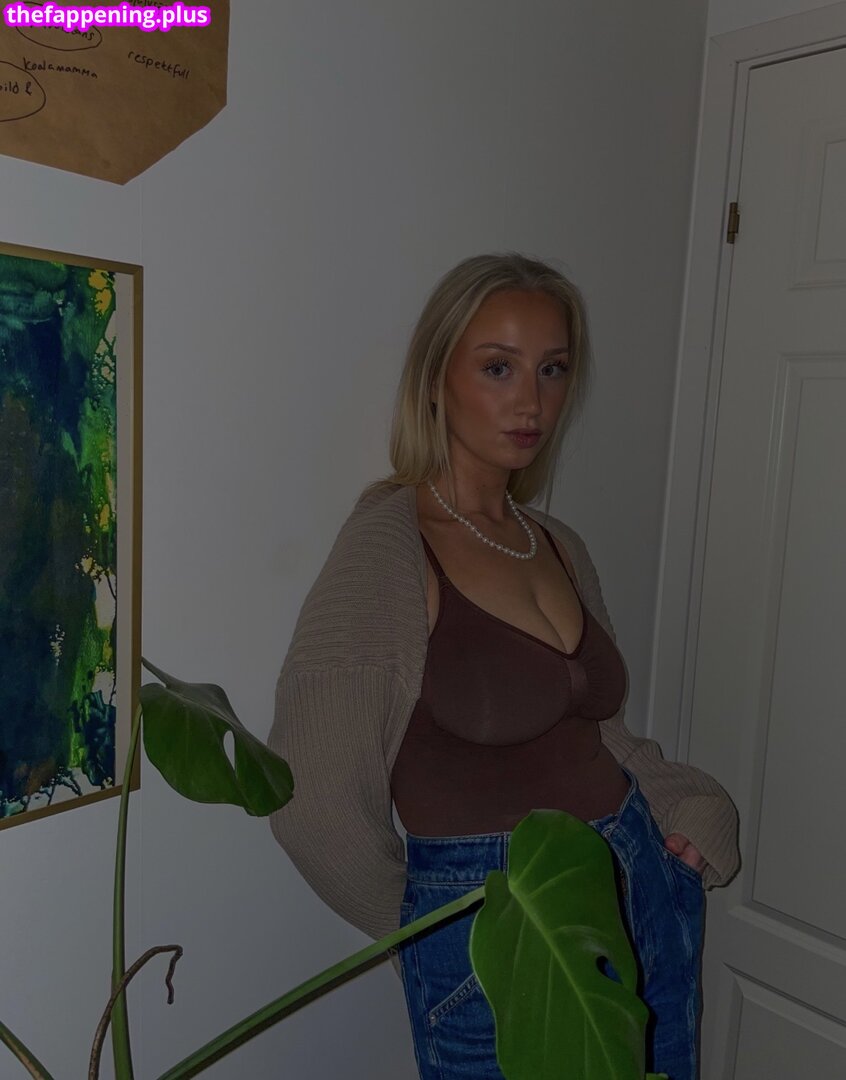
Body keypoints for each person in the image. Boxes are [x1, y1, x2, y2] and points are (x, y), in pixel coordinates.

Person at [267, 252, 740, 1080]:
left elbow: (601, 735)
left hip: (641, 891)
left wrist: (693, 811)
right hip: (503, 924)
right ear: (435, 380)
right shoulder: (389, 547)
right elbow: (312, 799)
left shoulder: (556, 542)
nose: (532, 402)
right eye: (498, 367)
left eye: (552, 369)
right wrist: (429, 929)